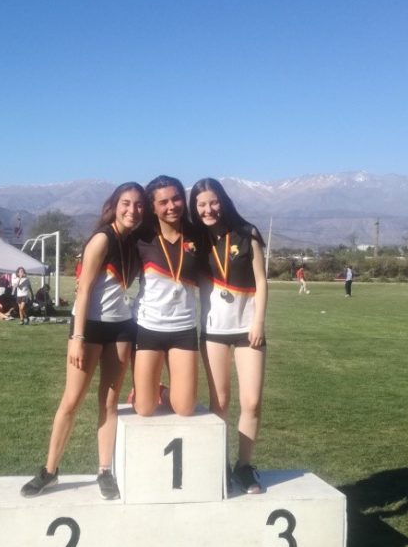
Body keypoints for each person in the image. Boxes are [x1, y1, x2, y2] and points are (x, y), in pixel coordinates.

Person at [21, 182, 147, 501]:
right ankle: (50, 470)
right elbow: (85, 289)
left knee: (109, 402)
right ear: (114, 205)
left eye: (138, 205)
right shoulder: (103, 238)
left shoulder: (135, 241)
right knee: (72, 400)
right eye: (126, 203)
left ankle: (105, 470)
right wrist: (78, 337)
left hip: (121, 328)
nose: (132, 210)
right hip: (88, 328)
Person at [189, 178, 268, 495]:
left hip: (248, 329)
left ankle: (244, 466)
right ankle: (218, 463)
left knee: (252, 402)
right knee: (219, 402)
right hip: (213, 331)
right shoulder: (194, 239)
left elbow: (261, 282)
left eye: (213, 202)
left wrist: (259, 322)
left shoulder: (247, 233)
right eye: (201, 204)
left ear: (223, 201)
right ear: (195, 208)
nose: (208, 209)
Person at [132, 175, 200, 417]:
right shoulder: (141, 238)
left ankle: (160, 391)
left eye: (176, 199)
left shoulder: (197, 235)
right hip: (148, 327)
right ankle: (149, 392)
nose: (171, 206)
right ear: (152, 207)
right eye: (163, 202)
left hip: (184, 328)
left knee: (185, 408)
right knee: (145, 409)